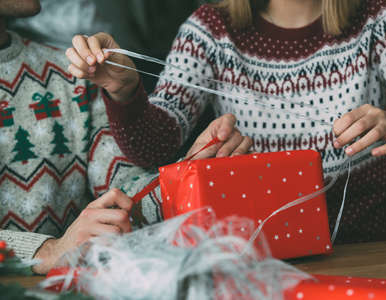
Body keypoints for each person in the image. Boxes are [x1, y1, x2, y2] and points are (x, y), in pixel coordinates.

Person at [67, 0, 386, 245]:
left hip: (370, 250)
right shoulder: (210, 28)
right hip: (248, 256)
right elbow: (155, 146)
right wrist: (125, 91)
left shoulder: (382, 16)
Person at [0, 0, 250, 274]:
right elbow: (56, 252)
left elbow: (123, 195)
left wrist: (188, 177)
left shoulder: (69, 73)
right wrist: (46, 251)